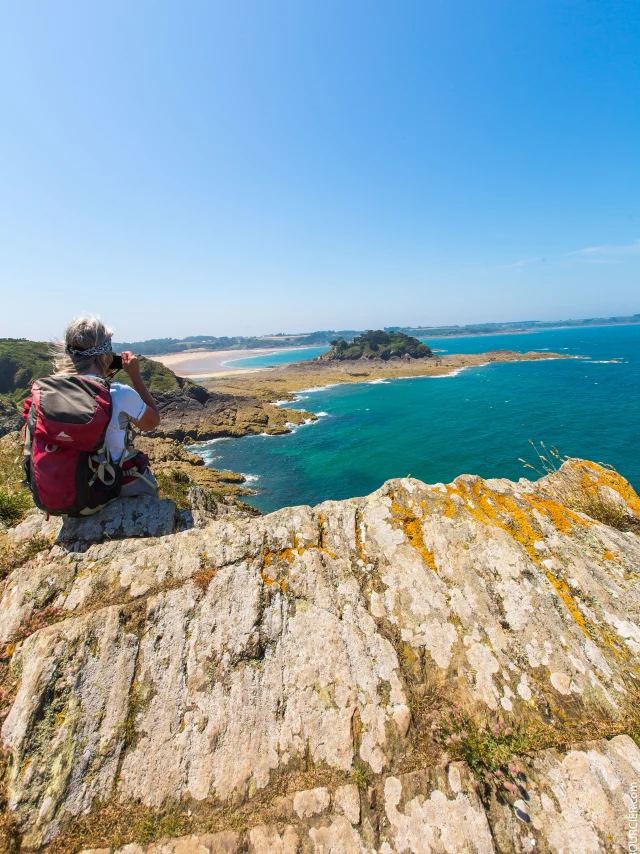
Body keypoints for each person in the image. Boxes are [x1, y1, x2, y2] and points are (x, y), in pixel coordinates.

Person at [52, 315, 161, 498]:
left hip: (64, 489)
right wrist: (135, 376)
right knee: (149, 491)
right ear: (104, 356)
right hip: (109, 485)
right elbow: (152, 422)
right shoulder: (118, 393)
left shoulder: (50, 390)